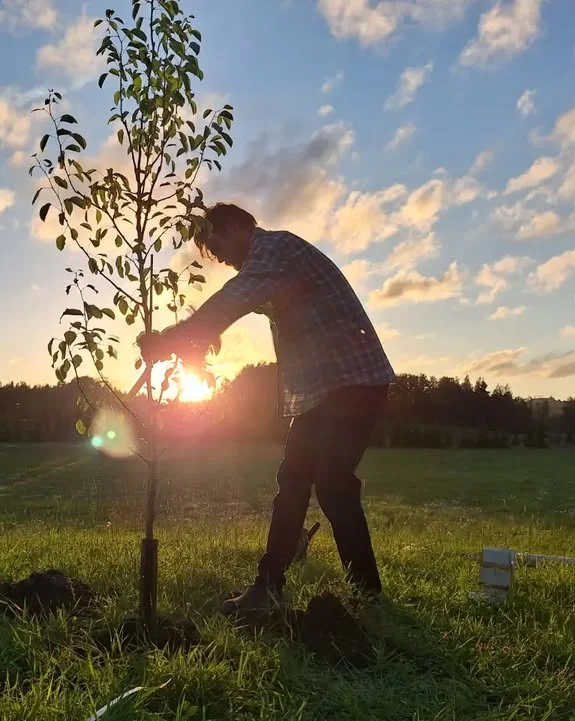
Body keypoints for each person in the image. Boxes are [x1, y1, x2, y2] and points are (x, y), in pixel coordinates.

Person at [138, 203, 396, 614]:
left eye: (214, 242)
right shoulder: (270, 265)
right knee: (293, 479)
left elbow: (235, 300)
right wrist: (193, 345)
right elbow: (237, 306)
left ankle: (367, 595)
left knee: (332, 483)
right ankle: (269, 586)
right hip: (324, 389)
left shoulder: (275, 248)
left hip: (352, 381)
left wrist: (173, 337)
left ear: (240, 226)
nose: (216, 256)